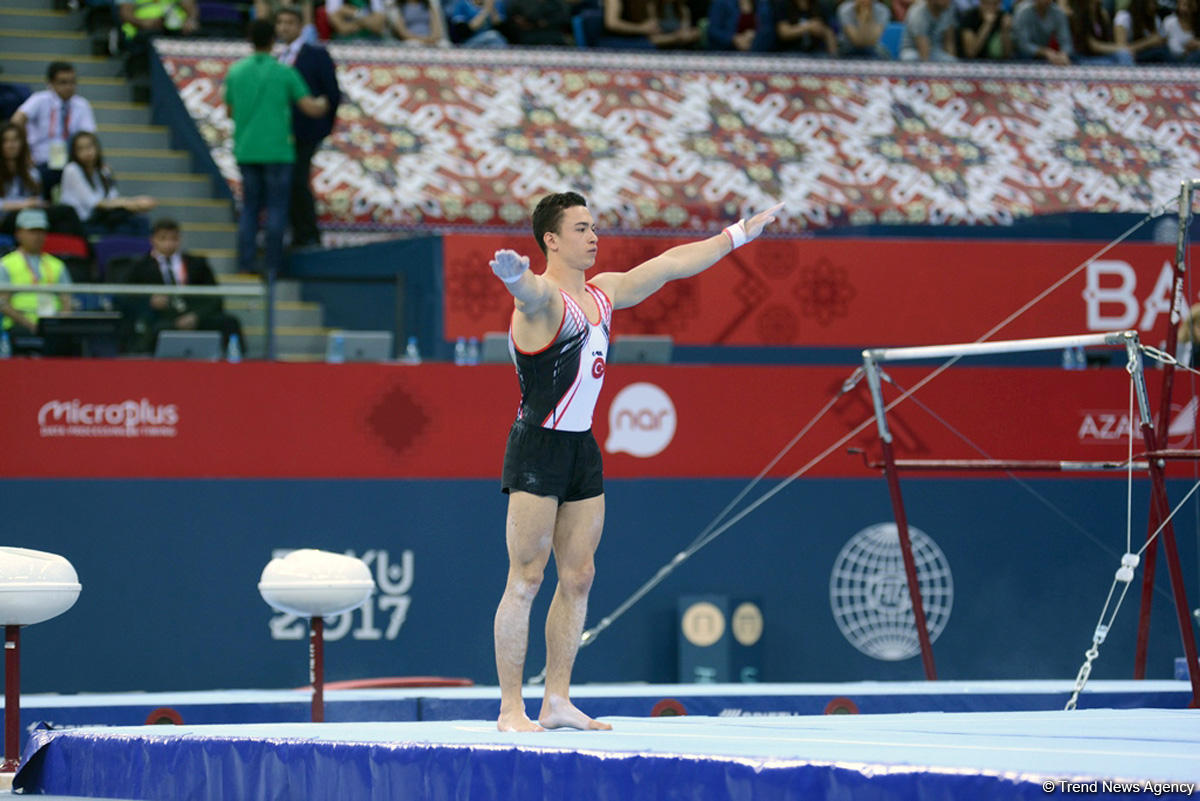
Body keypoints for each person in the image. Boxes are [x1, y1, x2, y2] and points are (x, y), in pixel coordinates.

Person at [488, 192, 783, 732]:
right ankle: (512, 708)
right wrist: (515, 281)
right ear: (551, 239)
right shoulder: (547, 300)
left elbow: (672, 266)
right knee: (526, 578)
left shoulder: (605, 293)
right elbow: (531, 299)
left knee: (578, 576)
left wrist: (738, 234)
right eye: (581, 228)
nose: (594, 236)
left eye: (594, 226)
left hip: (581, 447)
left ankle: (556, 700)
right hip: (537, 447)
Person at [225, 19, 330, 278]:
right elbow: (310, 108)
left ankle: (246, 263)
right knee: (276, 209)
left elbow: (229, 110)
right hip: (278, 151)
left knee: (250, 208)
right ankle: (272, 265)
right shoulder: (284, 72)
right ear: (274, 40)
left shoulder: (236, 72)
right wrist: (326, 101)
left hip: (247, 149)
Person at [275, 6, 342, 249]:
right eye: (280, 23)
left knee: (297, 180)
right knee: (287, 183)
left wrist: (322, 127)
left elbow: (331, 93)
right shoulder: (278, 58)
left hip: (305, 131)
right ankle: (296, 232)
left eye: (289, 23)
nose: (284, 28)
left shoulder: (316, 54)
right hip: (280, 133)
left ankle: (308, 234)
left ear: (301, 26)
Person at [127, 218, 243, 352]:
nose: (169, 244)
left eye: (173, 239)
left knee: (229, 322)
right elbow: (128, 297)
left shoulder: (197, 264)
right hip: (161, 317)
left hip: (195, 315)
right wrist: (149, 301)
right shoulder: (140, 266)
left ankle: (237, 359)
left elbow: (215, 297)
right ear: (152, 240)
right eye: (163, 238)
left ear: (179, 239)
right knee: (154, 328)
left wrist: (196, 316)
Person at [9, 62, 97, 201]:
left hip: (72, 162)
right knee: (38, 178)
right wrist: (24, 153)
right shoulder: (40, 99)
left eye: (72, 82)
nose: (69, 87)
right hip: (40, 161)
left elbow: (89, 137)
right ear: (51, 83)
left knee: (91, 172)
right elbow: (16, 121)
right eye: (63, 82)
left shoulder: (82, 105)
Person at [0, 207, 72, 352]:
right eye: (32, 231)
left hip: (53, 326)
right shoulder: (6, 264)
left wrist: (62, 323)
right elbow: (3, 303)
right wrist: (30, 325)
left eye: (41, 231)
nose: (37, 236)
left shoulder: (57, 265)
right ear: (18, 233)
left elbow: (67, 301)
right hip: (19, 326)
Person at [58, 131, 156, 237]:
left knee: (141, 221)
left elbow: (113, 197)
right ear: (74, 152)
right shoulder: (72, 169)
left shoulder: (103, 171)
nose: (87, 152)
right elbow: (94, 203)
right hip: (82, 222)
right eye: (81, 149)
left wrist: (134, 205)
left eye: (89, 147)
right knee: (122, 229)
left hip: (102, 218)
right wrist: (132, 203)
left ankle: (146, 252)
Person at [116, 0, 200, 77]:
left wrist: (190, 20)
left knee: (195, 37)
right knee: (152, 39)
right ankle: (142, 74)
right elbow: (125, 13)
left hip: (173, 28)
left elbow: (188, 4)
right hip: (141, 29)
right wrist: (143, 23)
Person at [1068, 0, 1134, 64]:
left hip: (1100, 56)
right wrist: (1120, 48)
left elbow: (1107, 41)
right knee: (1122, 55)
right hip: (1082, 57)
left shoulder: (1102, 14)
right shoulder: (1077, 15)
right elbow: (1092, 45)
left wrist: (1122, 49)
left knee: (1124, 56)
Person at [771, 0, 837, 53]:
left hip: (815, 52)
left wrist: (834, 59)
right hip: (790, 51)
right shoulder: (783, 4)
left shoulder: (820, 6)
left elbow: (828, 33)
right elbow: (783, 32)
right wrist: (808, 27)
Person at [503, 0, 572, 44]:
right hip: (526, 33)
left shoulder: (556, 3)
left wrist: (545, 22)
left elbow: (563, 18)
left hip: (551, 33)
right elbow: (512, 17)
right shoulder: (519, 2)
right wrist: (520, 22)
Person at [386, 0, 450, 43]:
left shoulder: (430, 5)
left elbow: (437, 29)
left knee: (444, 44)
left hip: (431, 39)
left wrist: (430, 39)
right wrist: (422, 40)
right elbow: (403, 32)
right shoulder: (398, 7)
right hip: (410, 40)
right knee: (413, 45)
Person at [325, 0, 389, 39]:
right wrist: (363, 17)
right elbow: (340, 26)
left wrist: (347, 12)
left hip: (371, 40)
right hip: (344, 41)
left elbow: (378, 25)